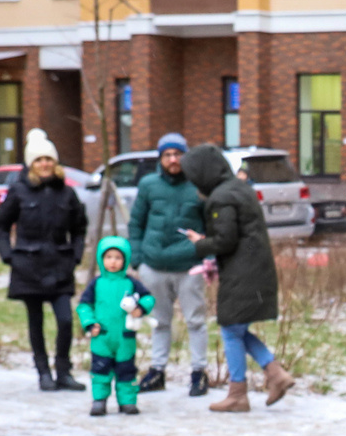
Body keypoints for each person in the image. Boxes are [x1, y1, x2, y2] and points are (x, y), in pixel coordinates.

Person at [183, 144, 293, 412]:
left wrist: (200, 243)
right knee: (235, 328)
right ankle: (274, 374)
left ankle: (239, 393)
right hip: (254, 268)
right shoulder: (239, 187)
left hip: (243, 271)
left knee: (231, 328)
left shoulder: (221, 197)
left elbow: (225, 240)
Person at [0, 130, 88, 391]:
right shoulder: (19, 191)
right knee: (35, 321)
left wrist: (76, 255)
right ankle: (43, 372)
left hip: (60, 265)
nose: (44, 164)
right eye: (39, 160)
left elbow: (80, 227)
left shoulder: (67, 193)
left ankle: (64, 371)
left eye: (49, 159)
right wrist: (8, 255)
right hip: (28, 267)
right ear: (30, 164)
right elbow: (1, 225)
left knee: (65, 320)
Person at [126, 131, 210, 397]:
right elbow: (136, 223)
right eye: (167, 155)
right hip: (154, 265)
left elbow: (210, 224)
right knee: (159, 322)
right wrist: (138, 260)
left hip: (189, 266)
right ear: (160, 158)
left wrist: (207, 257)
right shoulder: (149, 185)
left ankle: (199, 373)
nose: (173, 159)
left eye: (177, 154)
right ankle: (157, 371)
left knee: (195, 321)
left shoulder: (199, 185)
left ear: (185, 156)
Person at [75, 235, 153, 416]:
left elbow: (149, 298)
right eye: (108, 257)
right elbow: (84, 306)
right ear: (101, 259)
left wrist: (140, 309)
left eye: (118, 258)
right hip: (101, 336)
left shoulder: (131, 283)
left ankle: (127, 402)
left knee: (126, 371)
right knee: (100, 370)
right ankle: (99, 401)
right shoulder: (96, 283)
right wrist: (89, 323)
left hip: (125, 337)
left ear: (125, 260)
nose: (113, 262)